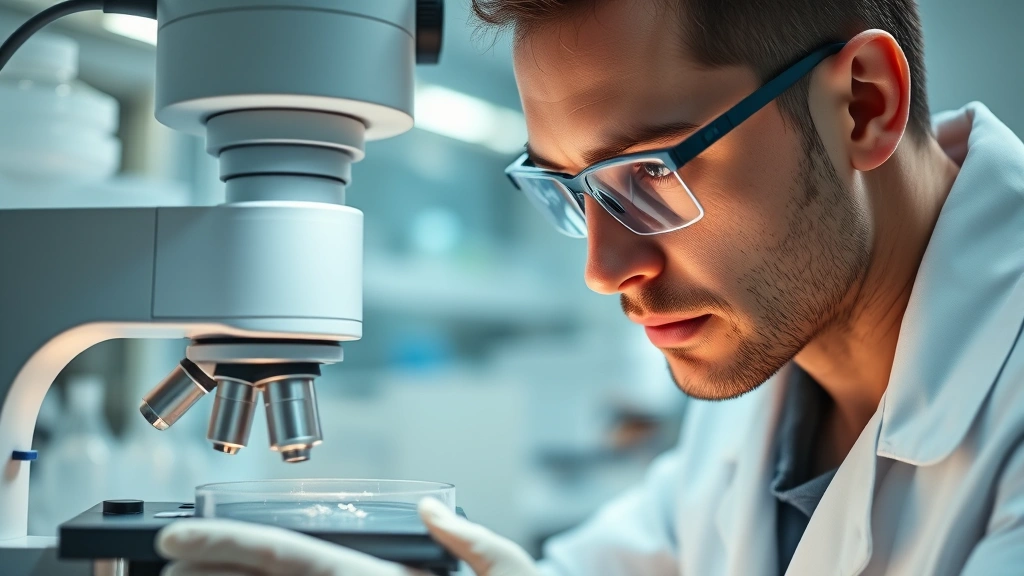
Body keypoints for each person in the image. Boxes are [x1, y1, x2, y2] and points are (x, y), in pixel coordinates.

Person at [156, 0, 1024, 574]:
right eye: (568, 189)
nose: (604, 270)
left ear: (863, 105)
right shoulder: (761, 388)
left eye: (649, 176)